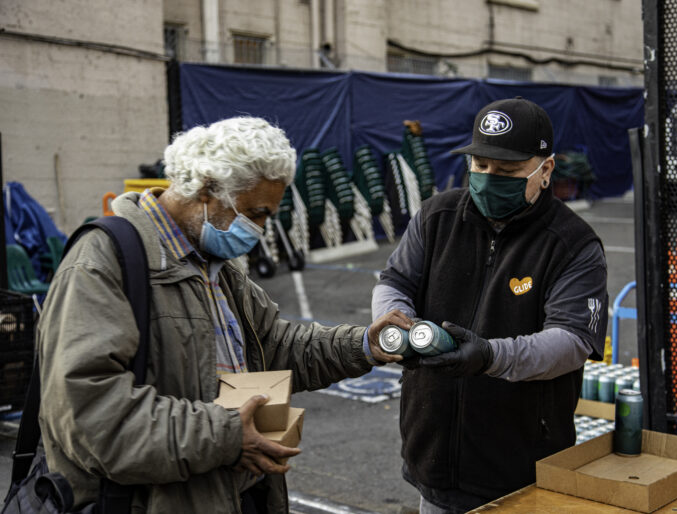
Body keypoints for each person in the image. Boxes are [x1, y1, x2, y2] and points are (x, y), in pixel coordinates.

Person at [37, 116, 412, 514]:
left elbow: (274, 347)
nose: (261, 230)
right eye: (256, 212)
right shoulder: (102, 265)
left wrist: (364, 345)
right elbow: (90, 418)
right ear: (206, 189)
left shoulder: (215, 264)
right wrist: (227, 436)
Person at [372, 97, 608, 513]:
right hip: (434, 459)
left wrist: (489, 356)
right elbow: (395, 281)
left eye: (507, 171)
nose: (487, 179)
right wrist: (397, 322)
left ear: (545, 169)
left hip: (521, 471)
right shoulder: (436, 216)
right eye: (480, 166)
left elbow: (570, 341)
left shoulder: (573, 245)